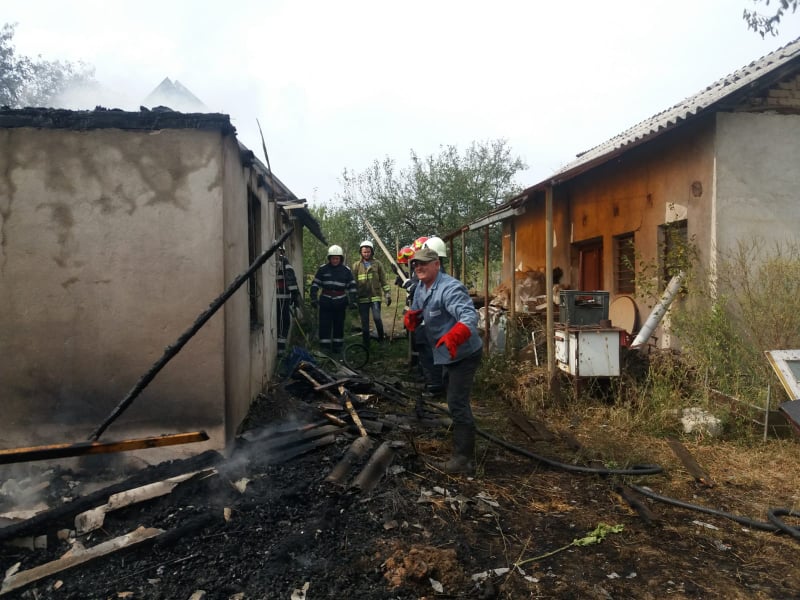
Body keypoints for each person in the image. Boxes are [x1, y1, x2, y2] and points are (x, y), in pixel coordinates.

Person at [403, 247, 483, 475]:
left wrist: (455, 335)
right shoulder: (421, 286)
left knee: (457, 402)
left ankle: (463, 461)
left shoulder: (450, 288)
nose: (418, 267)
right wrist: (414, 316)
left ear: (437, 264)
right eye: (416, 264)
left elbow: (469, 317)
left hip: (464, 353)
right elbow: (419, 307)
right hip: (445, 353)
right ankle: (462, 433)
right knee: (453, 397)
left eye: (424, 263)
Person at [309, 245, 357, 356]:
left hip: (340, 302)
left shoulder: (346, 271)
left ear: (341, 259)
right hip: (325, 302)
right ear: (329, 258)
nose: (335, 260)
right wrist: (313, 298)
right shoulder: (323, 269)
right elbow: (315, 284)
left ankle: (337, 347)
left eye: (337, 258)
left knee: (339, 325)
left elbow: (352, 286)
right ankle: (325, 348)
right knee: (324, 324)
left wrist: (353, 300)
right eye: (333, 258)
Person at [352, 240, 392, 348]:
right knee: (365, 323)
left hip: (375, 297)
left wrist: (387, 293)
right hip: (362, 298)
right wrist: (352, 297)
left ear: (372, 252)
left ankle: (381, 340)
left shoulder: (377, 264)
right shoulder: (356, 265)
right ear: (361, 252)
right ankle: (366, 344)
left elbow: (383, 280)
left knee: (377, 318)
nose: (366, 254)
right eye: (364, 252)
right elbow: (353, 282)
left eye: (368, 252)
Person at [276, 247, 303, 352]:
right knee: (284, 323)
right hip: (283, 298)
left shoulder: (273, 262)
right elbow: (291, 280)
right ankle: (281, 350)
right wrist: (295, 296)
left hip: (278, 298)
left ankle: (280, 350)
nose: (281, 254)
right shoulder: (284, 261)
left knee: (280, 323)